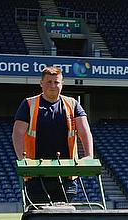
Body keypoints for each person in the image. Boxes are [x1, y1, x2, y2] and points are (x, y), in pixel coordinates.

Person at [12, 66, 93, 204]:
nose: (53, 86)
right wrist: (22, 159)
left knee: (64, 217)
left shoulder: (72, 104)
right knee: (39, 216)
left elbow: (85, 132)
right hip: (36, 174)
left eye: (56, 82)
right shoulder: (29, 104)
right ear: (41, 83)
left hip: (66, 174)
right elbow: (17, 133)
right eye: (49, 82)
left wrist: (89, 156)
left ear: (62, 84)